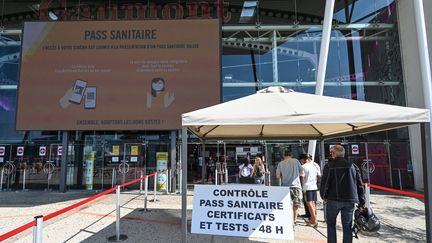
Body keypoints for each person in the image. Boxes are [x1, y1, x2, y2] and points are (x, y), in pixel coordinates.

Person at [320, 144, 365, 243]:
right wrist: (361, 202)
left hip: (333, 199)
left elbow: (324, 183)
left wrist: (324, 196)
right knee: (347, 226)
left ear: (333, 154)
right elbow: (360, 185)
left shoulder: (329, 166)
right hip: (349, 200)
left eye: (331, 152)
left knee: (331, 225)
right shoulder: (353, 166)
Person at [276, 150, 304, 225]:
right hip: (296, 186)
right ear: (291, 155)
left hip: (285, 187)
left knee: (288, 205)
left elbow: (278, 177)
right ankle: (294, 221)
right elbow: (302, 171)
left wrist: (284, 175)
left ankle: (289, 221)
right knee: (296, 205)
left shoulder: (280, 163)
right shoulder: (296, 161)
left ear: (284, 156)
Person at [300, 153, 321, 227]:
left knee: (309, 203)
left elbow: (302, 178)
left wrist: (305, 180)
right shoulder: (314, 165)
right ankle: (313, 219)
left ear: (303, 159)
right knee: (313, 203)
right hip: (314, 186)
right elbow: (318, 176)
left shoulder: (303, 167)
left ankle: (314, 220)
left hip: (307, 187)